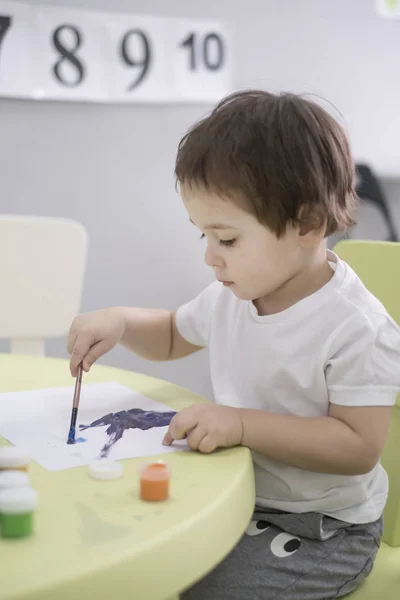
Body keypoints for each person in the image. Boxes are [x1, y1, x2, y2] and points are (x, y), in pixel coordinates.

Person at [67, 91, 400, 600]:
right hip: (236, 496)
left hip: (322, 530)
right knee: (138, 566)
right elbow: (176, 335)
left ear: (307, 225)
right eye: (202, 235)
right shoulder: (234, 295)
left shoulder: (357, 328)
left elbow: (357, 448)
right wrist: (123, 322)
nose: (209, 258)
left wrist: (242, 424)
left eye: (225, 239)